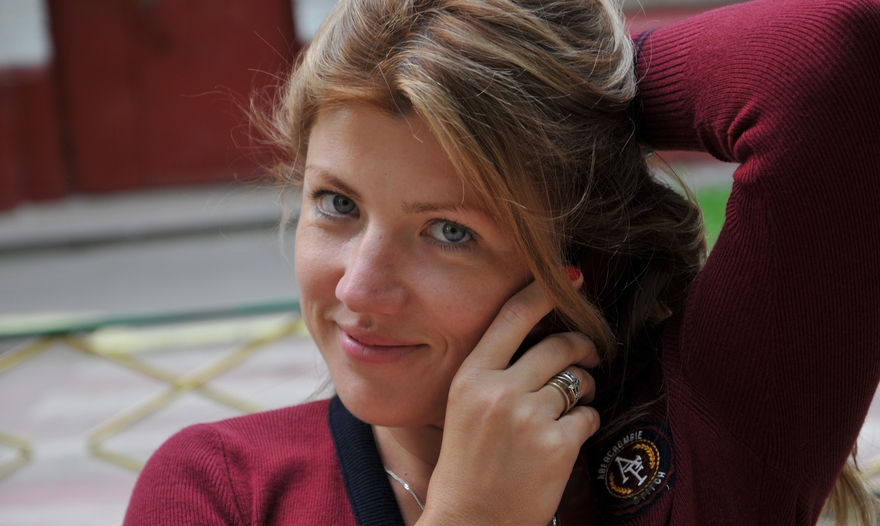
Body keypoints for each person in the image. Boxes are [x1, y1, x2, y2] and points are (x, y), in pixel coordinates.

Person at [123, 0, 880, 524]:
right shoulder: (219, 490)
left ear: (580, 255)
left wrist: (563, 87)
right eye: (338, 203)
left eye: (449, 231)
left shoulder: (707, 437)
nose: (359, 286)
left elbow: (835, 70)